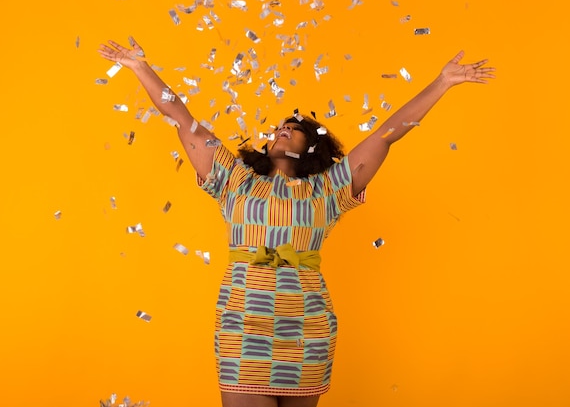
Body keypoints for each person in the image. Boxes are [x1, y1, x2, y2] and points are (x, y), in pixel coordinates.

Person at [98, 38, 494, 407]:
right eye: (278, 128)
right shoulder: (233, 177)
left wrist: (441, 83)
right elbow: (184, 122)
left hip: (307, 326)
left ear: (312, 146)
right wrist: (139, 68)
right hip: (243, 325)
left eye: (296, 129)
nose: (282, 130)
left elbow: (385, 136)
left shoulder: (329, 188)